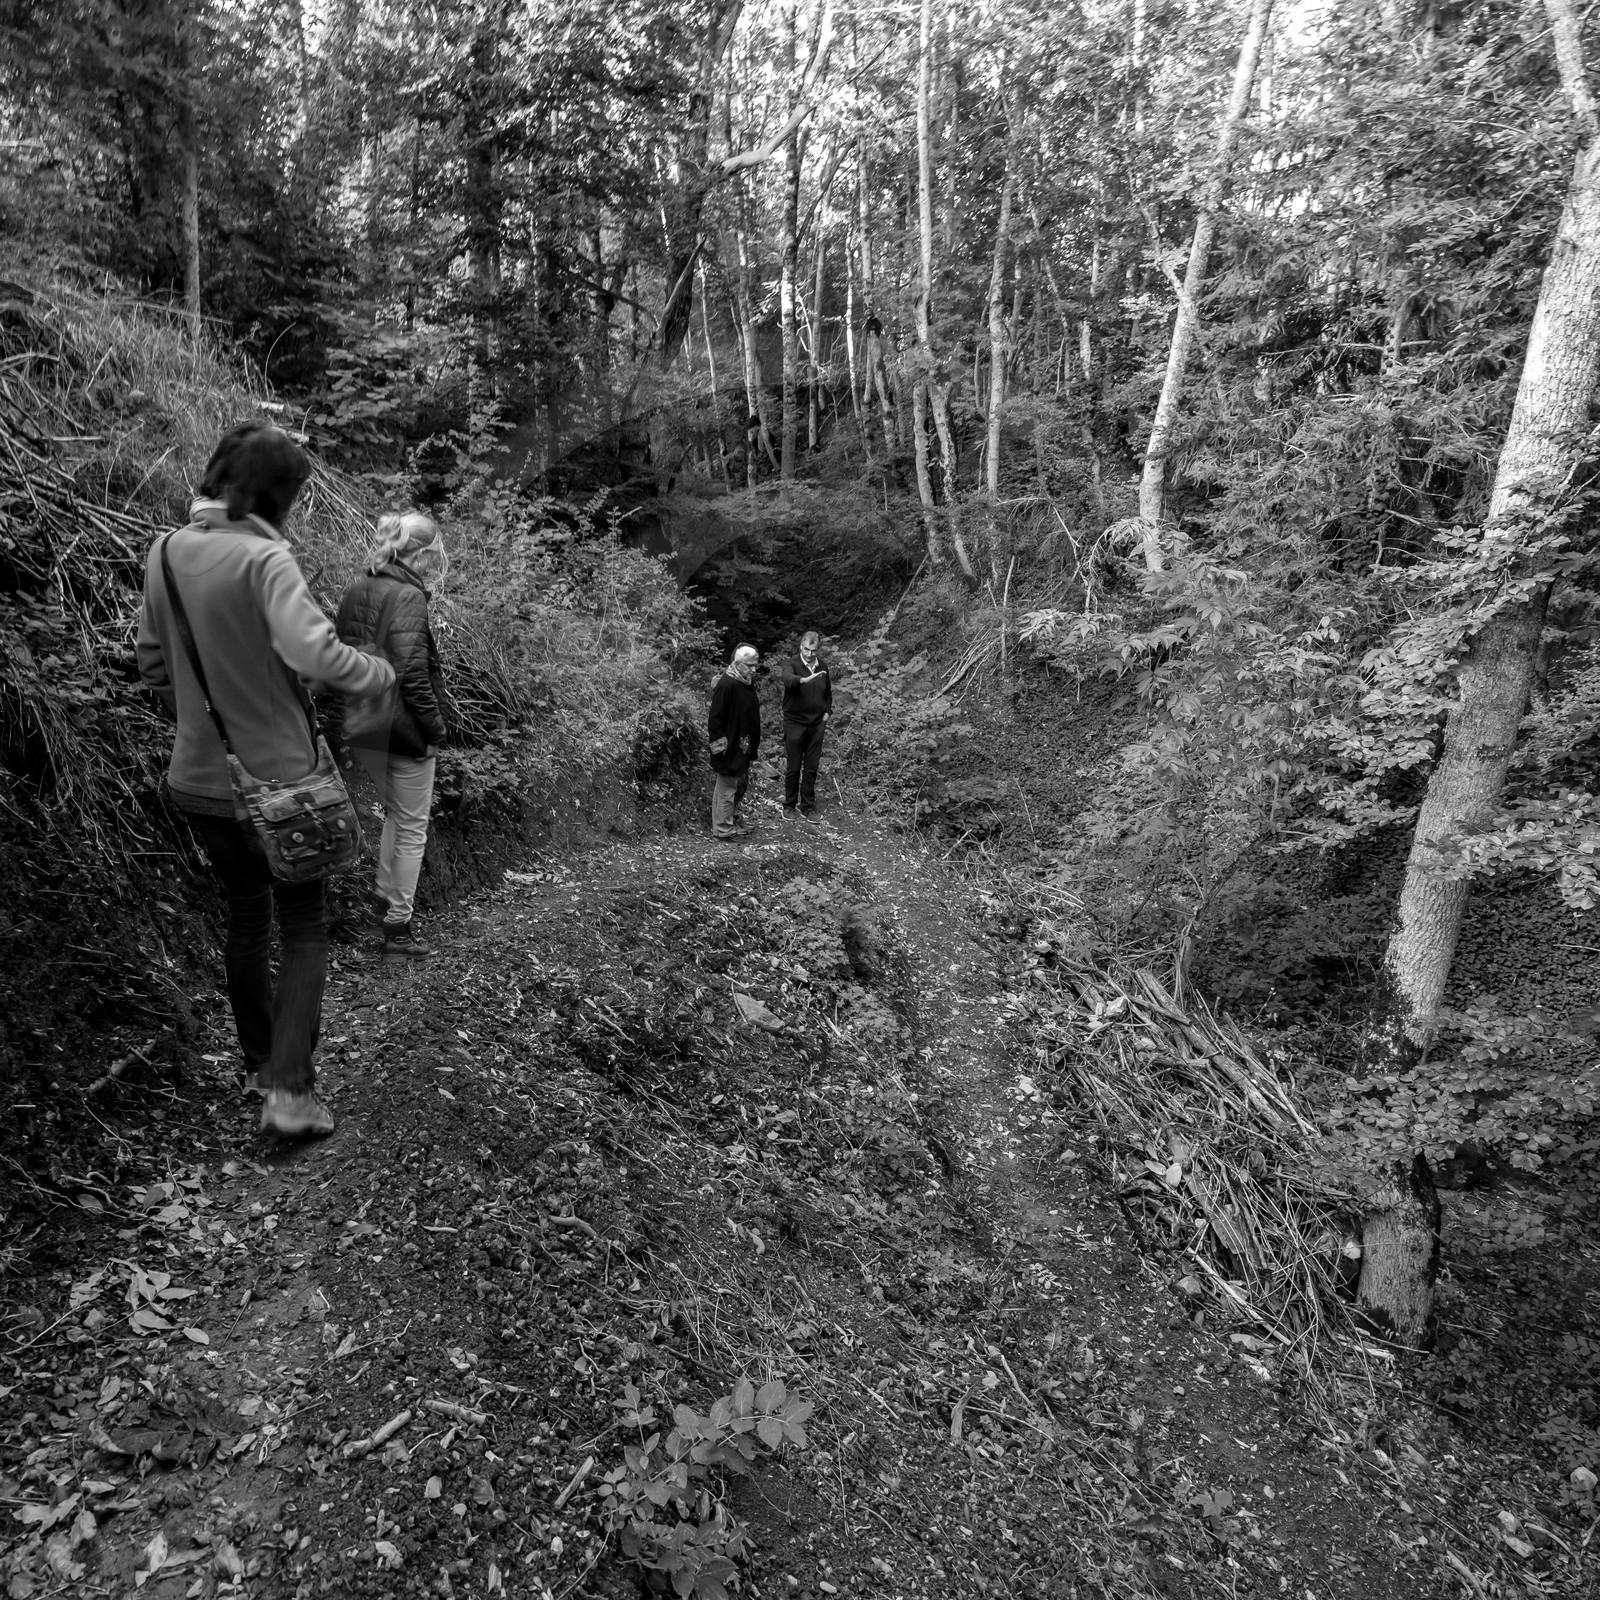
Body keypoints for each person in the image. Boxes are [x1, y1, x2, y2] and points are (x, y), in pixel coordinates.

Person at [138, 423, 395, 1138]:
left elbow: (153, 668)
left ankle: (260, 1066)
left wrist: (208, 725)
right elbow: (317, 658)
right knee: (305, 927)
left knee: (247, 920)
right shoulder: (264, 559)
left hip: (198, 783)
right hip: (284, 788)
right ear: (274, 497)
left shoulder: (164, 553)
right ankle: (289, 1093)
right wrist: (377, 671)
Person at [335, 512, 449, 958]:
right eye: (432, 556)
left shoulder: (358, 586)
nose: (433, 565)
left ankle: (383, 901)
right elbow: (412, 676)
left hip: (362, 725)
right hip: (402, 730)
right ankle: (397, 927)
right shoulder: (408, 595)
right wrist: (436, 729)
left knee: (395, 815)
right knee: (412, 826)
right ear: (419, 554)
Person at [707, 644, 761, 840]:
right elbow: (715, 720)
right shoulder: (727, 685)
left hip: (743, 745)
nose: (754, 670)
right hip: (728, 747)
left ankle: (731, 818)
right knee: (727, 786)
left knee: (740, 784)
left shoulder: (744, 681)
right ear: (738, 664)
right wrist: (720, 749)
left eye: (755, 665)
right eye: (750, 665)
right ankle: (722, 829)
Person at [780, 630, 832, 818]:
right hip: (795, 722)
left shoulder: (823, 667)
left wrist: (827, 714)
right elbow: (787, 679)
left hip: (817, 724)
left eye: (814, 651)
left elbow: (828, 695)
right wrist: (803, 679)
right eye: (807, 650)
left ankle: (807, 806)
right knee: (793, 766)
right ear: (801, 647)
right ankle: (789, 805)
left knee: (811, 767)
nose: (810, 654)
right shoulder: (792, 664)